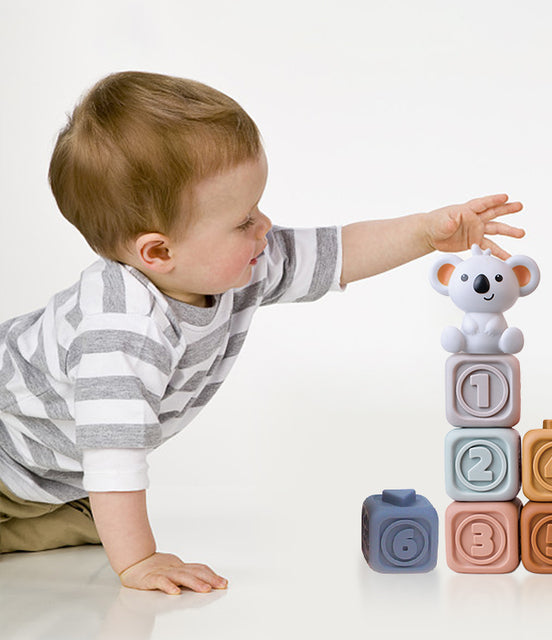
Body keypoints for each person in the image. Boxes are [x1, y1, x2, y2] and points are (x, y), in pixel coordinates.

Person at [0, 71, 525, 594]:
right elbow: (113, 456)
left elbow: (338, 253)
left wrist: (426, 232)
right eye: (243, 219)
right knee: (116, 515)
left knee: (100, 521)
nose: (266, 225)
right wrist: (139, 561)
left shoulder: (234, 265)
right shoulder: (119, 330)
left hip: (52, 472)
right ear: (158, 252)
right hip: (10, 458)